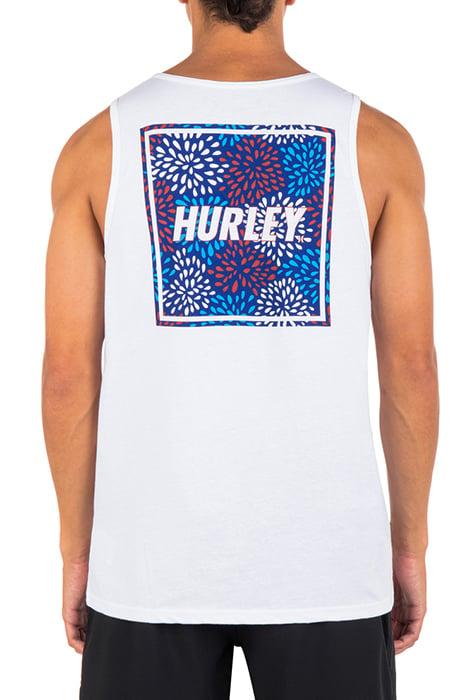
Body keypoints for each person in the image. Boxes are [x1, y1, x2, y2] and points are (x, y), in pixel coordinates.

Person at [42, 1, 439, 698]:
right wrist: (409, 544)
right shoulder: (377, 142)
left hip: (147, 567)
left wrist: (78, 550)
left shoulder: (97, 145)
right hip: (327, 567)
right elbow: (411, 366)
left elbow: (68, 375)